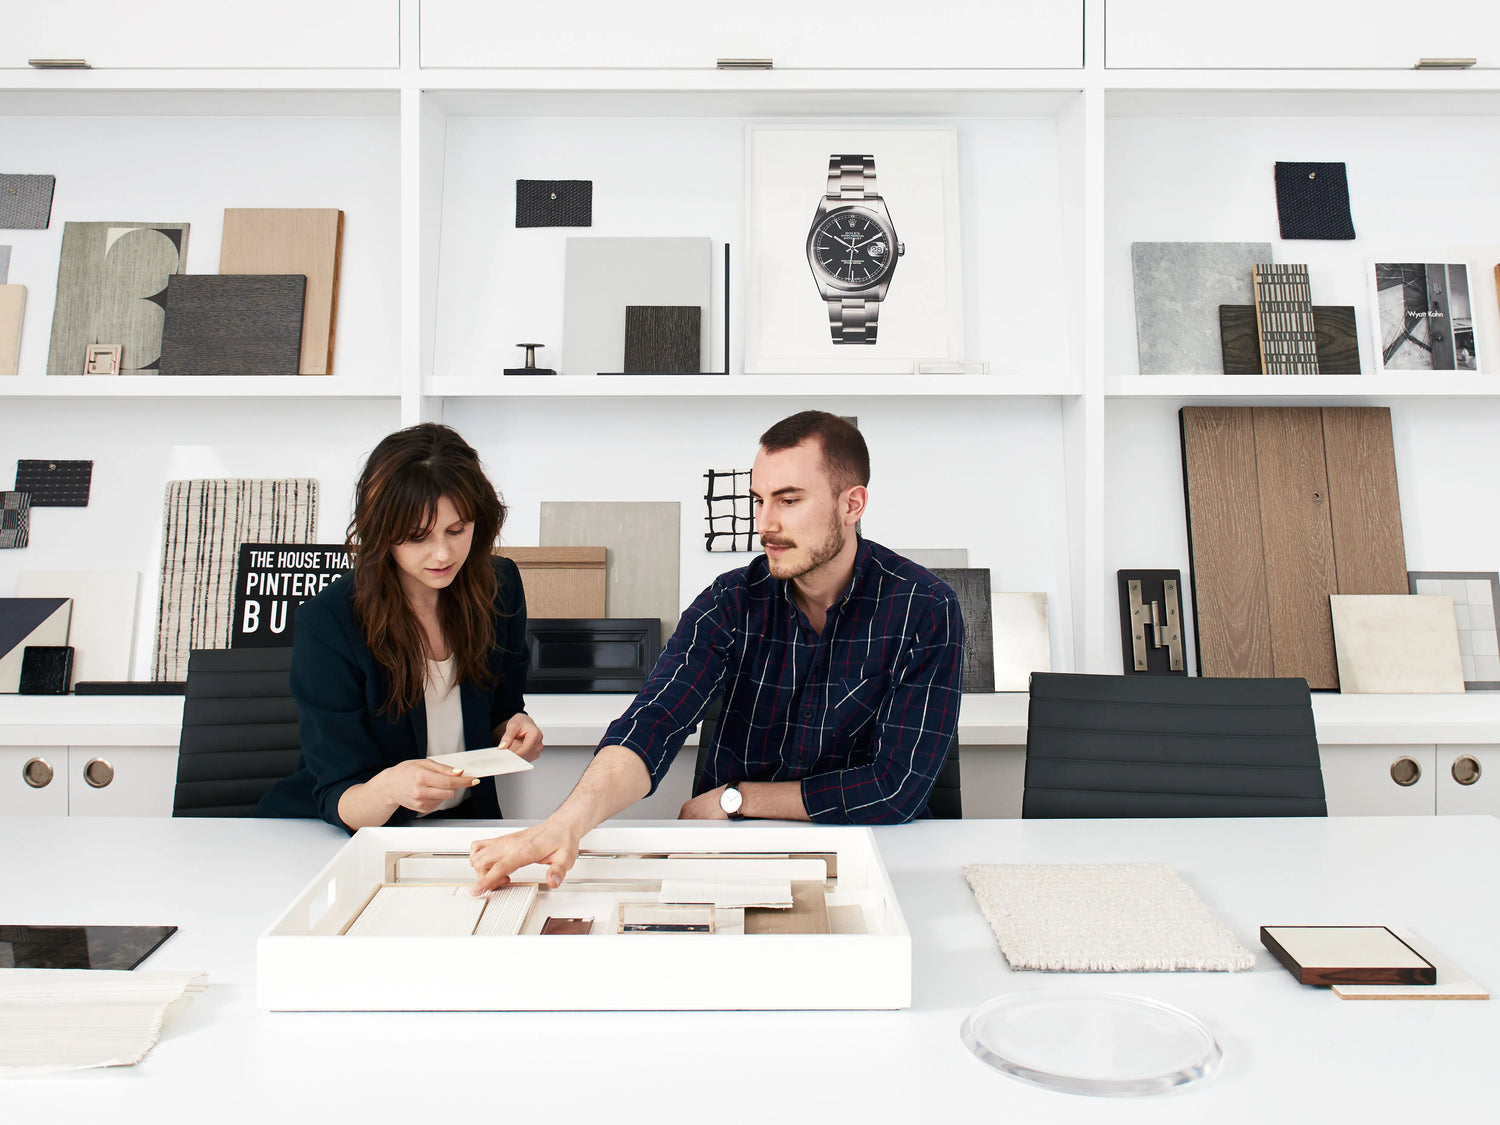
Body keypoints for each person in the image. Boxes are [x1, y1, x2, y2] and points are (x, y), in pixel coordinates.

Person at [469, 410, 962, 890]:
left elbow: (895, 788)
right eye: (759, 500)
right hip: (733, 859)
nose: (764, 523)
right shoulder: (730, 601)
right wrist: (567, 823)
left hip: (873, 857)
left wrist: (739, 799)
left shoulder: (924, 608)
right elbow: (652, 722)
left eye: (789, 500)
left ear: (852, 505)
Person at [257, 423, 542, 831]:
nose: (442, 553)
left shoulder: (500, 587)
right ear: (381, 532)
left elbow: (501, 708)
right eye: (417, 537)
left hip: (458, 829)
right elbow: (338, 794)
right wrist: (389, 789)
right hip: (338, 835)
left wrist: (515, 728)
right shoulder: (329, 622)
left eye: (457, 530)